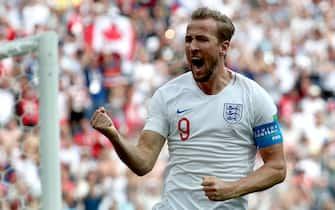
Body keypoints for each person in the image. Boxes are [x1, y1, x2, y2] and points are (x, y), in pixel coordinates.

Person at [90, 7, 286, 210]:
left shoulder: (255, 97)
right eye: (188, 39)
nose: (192, 46)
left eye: (201, 39)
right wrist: (113, 135)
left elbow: (277, 167)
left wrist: (232, 189)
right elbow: (143, 163)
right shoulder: (167, 95)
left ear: (223, 47)